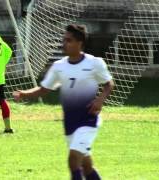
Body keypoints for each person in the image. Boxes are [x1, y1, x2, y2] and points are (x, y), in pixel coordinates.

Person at [13, 25, 114, 180]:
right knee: (86, 167)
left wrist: (100, 99)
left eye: (69, 40)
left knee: (73, 161)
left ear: (80, 43)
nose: (64, 43)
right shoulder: (59, 66)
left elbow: (109, 83)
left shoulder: (94, 63)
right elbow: (44, 89)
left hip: (88, 121)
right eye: (64, 40)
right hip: (70, 123)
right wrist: (24, 94)